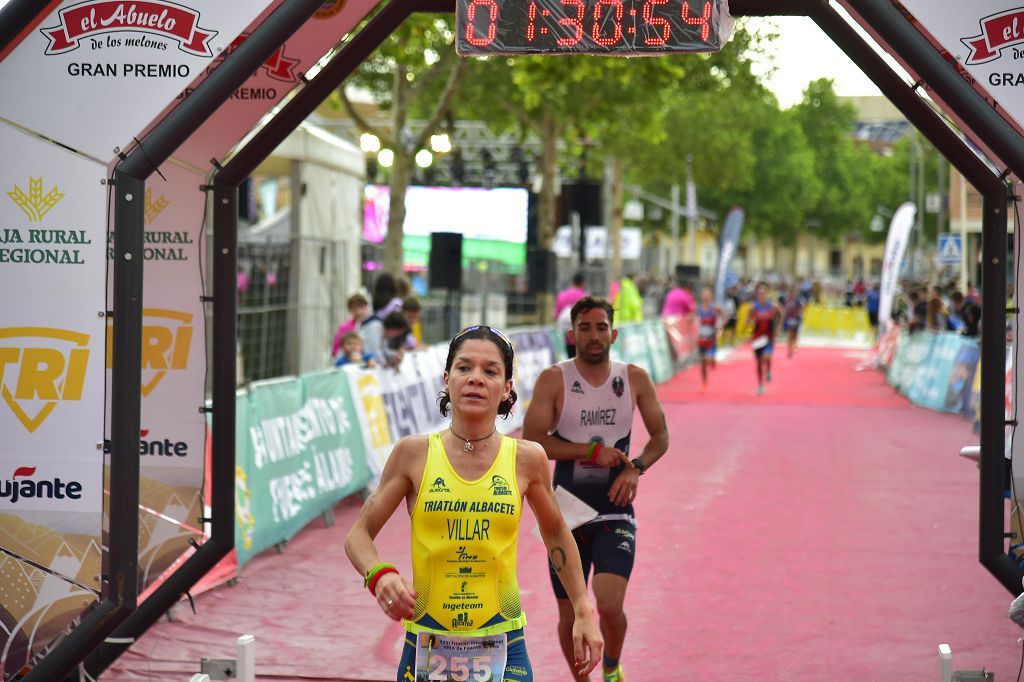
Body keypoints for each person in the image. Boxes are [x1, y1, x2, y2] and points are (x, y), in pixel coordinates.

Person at [344, 326, 603, 682]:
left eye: (491, 371)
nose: (476, 379)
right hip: (425, 644)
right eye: (465, 368)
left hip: (504, 643)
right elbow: (358, 535)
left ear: (507, 388)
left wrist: (583, 609)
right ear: (447, 379)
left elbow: (557, 532)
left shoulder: (526, 459)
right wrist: (379, 575)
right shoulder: (413, 454)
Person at [523, 296, 669, 682]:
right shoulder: (555, 379)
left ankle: (611, 666)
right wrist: (589, 451)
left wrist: (635, 468)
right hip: (564, 514)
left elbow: (661, 436)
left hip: (614, 508)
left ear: (614, 334)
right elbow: (533, 440)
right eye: (584, 328)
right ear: (572, 334)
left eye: (601, 327)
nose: (593, 335)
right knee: (570, 614)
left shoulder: (633, 378)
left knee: (608, 604)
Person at [746, 283, 783, 395]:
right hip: (757, 337)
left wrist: (778, 327)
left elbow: (782, 313)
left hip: (768, 337)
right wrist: (750, 322)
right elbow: (748, 321)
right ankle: (760, 385)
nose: (762, 295)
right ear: (757, 295)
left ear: (767, 294)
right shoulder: (753, 307)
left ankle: (768, 371)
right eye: (760, 293)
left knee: (767, 356)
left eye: (764, 293)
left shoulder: (773, 306)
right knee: (758, 363)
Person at [695, 287, 723, 391]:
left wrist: (720, 326)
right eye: (704, 295)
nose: (705, 297)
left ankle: (713, 360)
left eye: (708, 295)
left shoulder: (715, 308)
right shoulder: (698, 309)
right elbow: (693, 320)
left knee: (709, 359)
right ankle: (704, 383)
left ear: (710, 297)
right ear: (702, 297)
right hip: (702, 339)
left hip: (712, 338)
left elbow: (725, 316)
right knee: (702, 362)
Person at [557, 273, 589, 358]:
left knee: (570, 363)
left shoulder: (562, 295)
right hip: (582, 338)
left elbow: (557, 316)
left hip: (567, 337)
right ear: (583, 283)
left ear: (573, 282)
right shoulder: (586, 297)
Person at [332, 292, 371, 360]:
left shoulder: (372, 325)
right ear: (350, 310)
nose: (359, 311)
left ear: (367, 308)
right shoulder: (344, 327)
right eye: (355, 309)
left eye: (361, 307)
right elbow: (335, 350)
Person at [782, 286, 804, 358]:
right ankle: (790, 346)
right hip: (789, 319)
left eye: (793, 292)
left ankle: (793, 344)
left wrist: (797, 313)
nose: (791, 294)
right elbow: (785, 309)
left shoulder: (797, 300)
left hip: (796, 319)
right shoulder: (786, 300)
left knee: (795, 334)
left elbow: (801, 308)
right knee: (790, 333)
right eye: (790, 292)